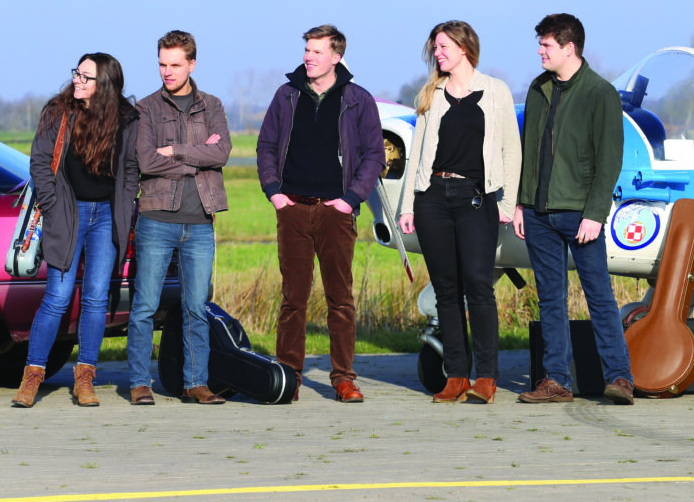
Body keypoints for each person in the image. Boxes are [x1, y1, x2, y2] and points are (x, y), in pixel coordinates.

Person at [256, 24, 386, 403]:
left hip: (336, 213)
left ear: (336, 56)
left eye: (316, 51)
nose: (307, 57)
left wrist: (349, 198)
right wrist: (275, 194)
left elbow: (374, 155)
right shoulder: (285, 96)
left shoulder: (358, 99)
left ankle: (344, 378)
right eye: (306, 50)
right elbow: (265, 146)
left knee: (340, 300)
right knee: (293, 299)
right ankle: (288, 376)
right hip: (292, 208)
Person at [513, 13, 634, 405]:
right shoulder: (538, 88)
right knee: (550, 298)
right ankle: (556, 382)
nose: (540, 51)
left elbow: (609, 160)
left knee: (599, 295)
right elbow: (527, 152)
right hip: (537, 213)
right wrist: (520, 202)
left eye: (546, 45)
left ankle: (620, 378)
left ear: (569, 48)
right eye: (541, 44)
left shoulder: (601, 93)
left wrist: (595, 214)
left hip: (580, 214)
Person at [397, 21, 521, 404]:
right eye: (435, 47)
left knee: (478, 287)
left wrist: (506, 201)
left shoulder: (496, 91)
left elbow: (510, 151)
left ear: (465, 48)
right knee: (446, 291)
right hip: (432, 197)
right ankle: (456, 376)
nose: (437, 52)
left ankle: (486, 377)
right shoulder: (432, 93)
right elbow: (417, 151)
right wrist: (408, 205)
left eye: (444, 46)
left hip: (475, 197)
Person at [13, 53, 139, 408]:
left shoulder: (128, 120)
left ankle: (85, 378)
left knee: (97, 298)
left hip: (106, 217)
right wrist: (52, 205)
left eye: (86, 77)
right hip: (69, 214)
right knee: (58, 296)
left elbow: (130, 171)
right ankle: (32, 376)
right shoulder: (59, 111)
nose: (77, 81)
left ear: (106, 86)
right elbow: (39, 161)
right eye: (77, 74)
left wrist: (126, 212)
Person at [127, 30, 231, 406]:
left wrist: (174, 151)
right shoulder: (147, 109)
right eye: (161, 64)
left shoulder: (213, 106)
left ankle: (196, 383)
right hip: (157, 218)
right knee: (144, 305)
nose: (166, 72)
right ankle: (140, 382)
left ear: (192, 64)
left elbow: (221, 154)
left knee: (195, 307)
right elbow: (146, 160)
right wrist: (195, 157)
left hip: (201, 221)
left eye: (174, 65)